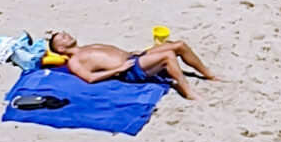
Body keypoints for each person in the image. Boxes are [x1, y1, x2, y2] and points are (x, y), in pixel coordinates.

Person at [45, 30, 217, 101]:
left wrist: (132, 53)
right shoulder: (75, 61)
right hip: (130, 71)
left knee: (179, 44)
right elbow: (90, 78)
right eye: (63, 37)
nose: (67, 35)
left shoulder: (86, 47)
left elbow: (112, 54)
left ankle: (209, 75)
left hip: (133, 58)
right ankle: (188, 92)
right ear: (61, 48)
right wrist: (117, 70)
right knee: (167, 55)